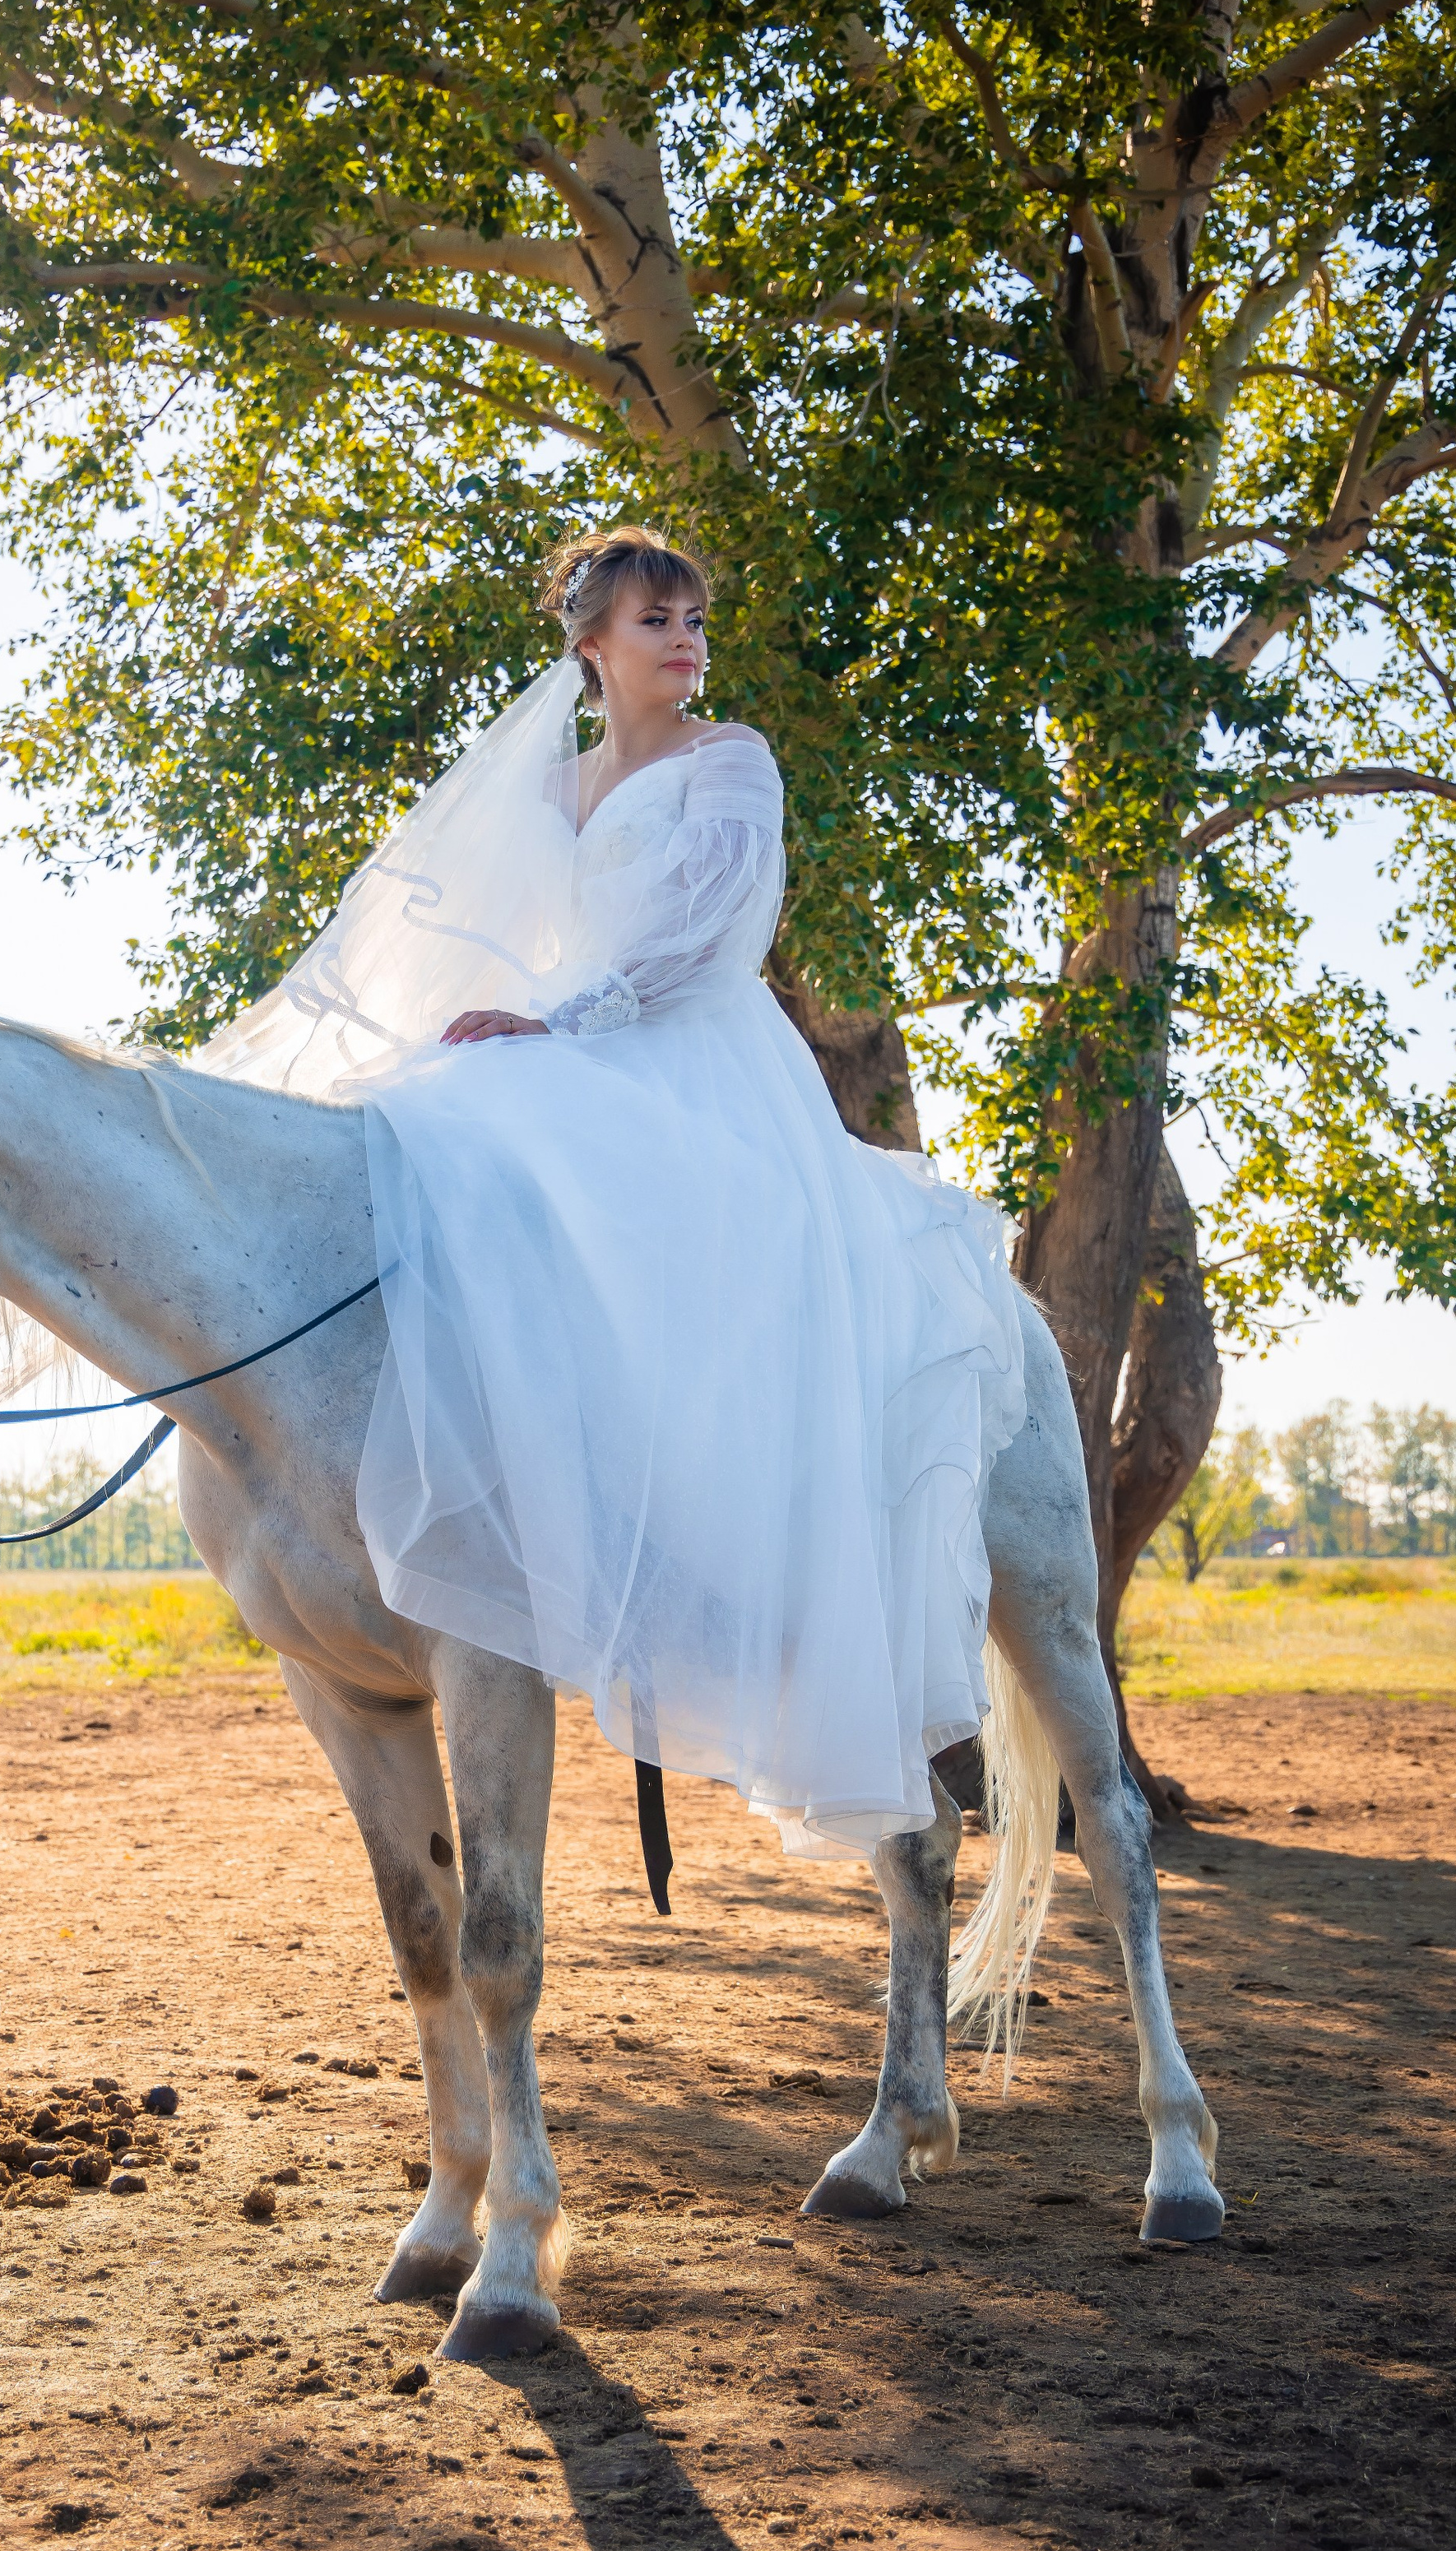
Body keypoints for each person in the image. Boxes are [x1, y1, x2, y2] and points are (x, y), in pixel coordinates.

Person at [199, 526, 1026, 1855]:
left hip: (693, 1051)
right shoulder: (552, 787)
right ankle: (512, 1498)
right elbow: (497, 934)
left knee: (690, 1238)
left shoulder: (729, 759)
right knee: (433, 1146)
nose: (685, 641)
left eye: (693, 619)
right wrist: (484, 1024)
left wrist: (567, 1019)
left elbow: (712, 924)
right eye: (656, 621)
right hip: (570, 1039)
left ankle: (731, 1550)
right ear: (591, 645)